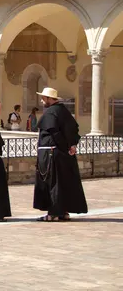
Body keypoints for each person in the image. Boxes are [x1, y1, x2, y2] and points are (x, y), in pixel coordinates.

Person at [33, 87, 88, 222]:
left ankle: (54, 213)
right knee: (63, 182)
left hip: (53, 153)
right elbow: (73, 130)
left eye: (44, 98)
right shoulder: (64, 112)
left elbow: (54, 132)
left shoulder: (51, 113)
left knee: (54, 183)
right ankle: (63, 211)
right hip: (63, 153)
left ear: (49, 99)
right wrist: (72, 146)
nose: (42, 100)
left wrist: (64, 147)